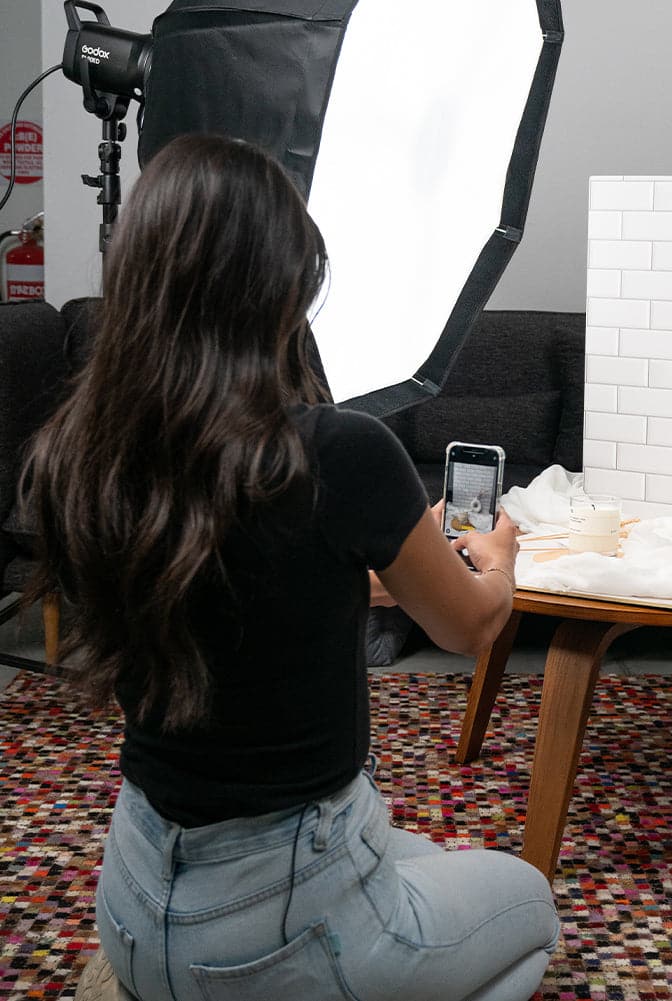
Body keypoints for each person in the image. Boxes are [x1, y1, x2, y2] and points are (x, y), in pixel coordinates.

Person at [22, 134, 559, 1001]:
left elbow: (228, 582)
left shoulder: (74, 452)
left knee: (420, 855)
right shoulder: (338, 452)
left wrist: (366, 573)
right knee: (529, 911)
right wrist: (495, 561)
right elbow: (469, 626)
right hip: (273, 920)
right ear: (282, 283)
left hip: (131, 896)